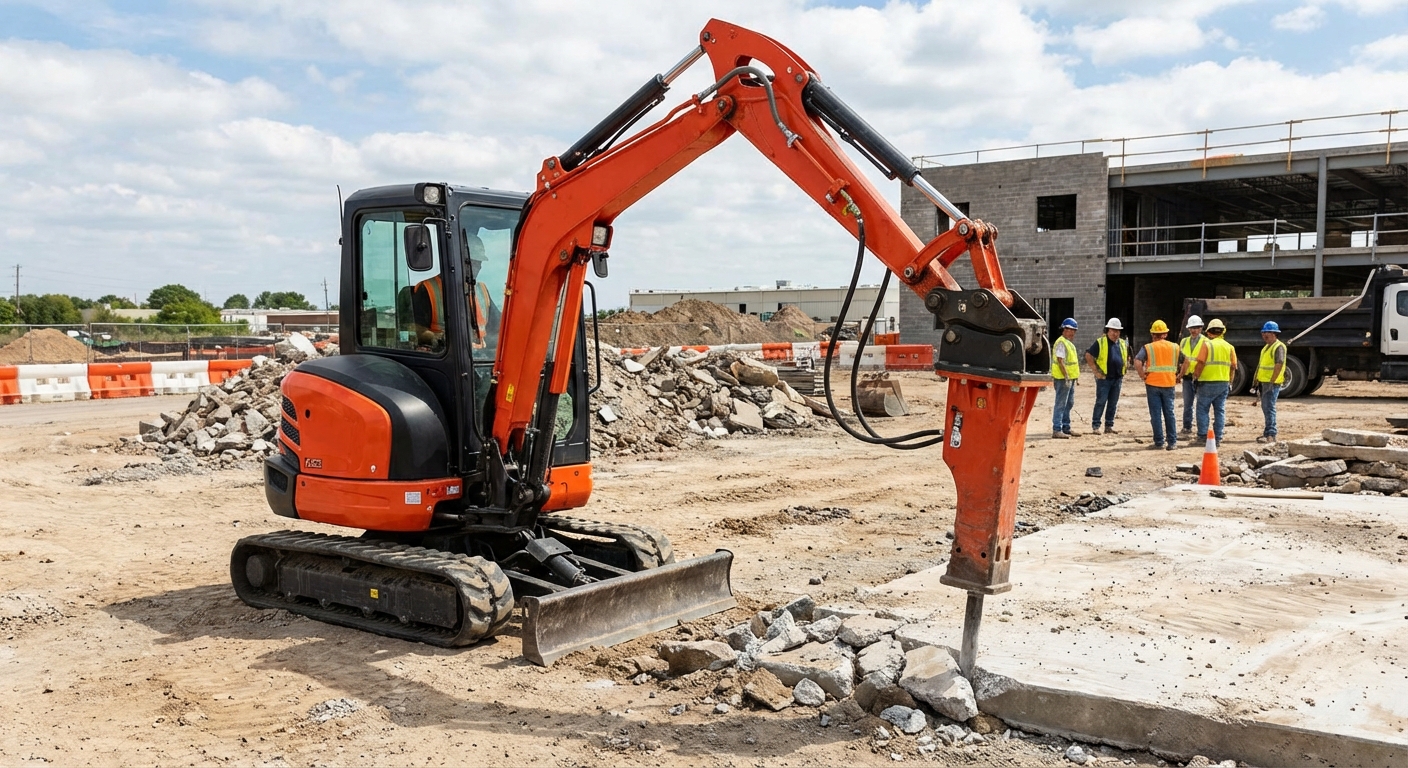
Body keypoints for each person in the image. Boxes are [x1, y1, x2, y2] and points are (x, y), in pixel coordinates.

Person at [1133, 320, 1181, 451]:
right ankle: (1172, 442)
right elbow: (1187, 361)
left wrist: (1142, 375)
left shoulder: (1148, 347)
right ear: (1165, 334)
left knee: (1156, 414)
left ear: (1153, 334)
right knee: (1169, 413)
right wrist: (1180, 375)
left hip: (1152, 384)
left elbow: (1137, 361)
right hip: (1169, 384)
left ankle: (1159, 442)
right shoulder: (1175, 347)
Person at [1191, 318, 1238, 445]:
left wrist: (1195, 377)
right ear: (1223, 331)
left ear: (1209, 332)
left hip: (1207, 383)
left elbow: (1200, 364)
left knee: (1202, 409)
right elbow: (1233, 367)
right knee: (1220, 410)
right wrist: (1230, 383)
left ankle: (1202, 437)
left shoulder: (1207, 345)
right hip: (1223, 383)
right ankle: (1218, 437)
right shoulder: (1230, 347)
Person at [1084, 318, 1129, 434]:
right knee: (1101, 402)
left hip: (1117, 378)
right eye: (1113, 331)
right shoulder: (1100, 342)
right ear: (1108, 330)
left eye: (1118, 331)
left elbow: (1125, 357)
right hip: (1104, 379)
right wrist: (1096, 372)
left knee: (1113, 403)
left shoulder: (1122, 343)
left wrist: (1125, 367)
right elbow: (1088, 355)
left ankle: (1109, 425)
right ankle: (1096, 425)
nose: (1116, 333)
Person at [1255, 321, 1286, 444]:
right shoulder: (1266, 348)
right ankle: (1268, 432)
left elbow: (1279, 364)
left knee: (1269, 408)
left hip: (1271, 383)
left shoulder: (1278, 346)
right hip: (1264, 381)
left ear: (1274, 334)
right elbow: (1261, 365)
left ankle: (1271, 434)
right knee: (1266, 407)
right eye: (1263, 333)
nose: (1264, 335)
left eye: (1267, 332)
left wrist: (1273, 381)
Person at [1050, 317, 1081, 439]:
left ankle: (1066, 427)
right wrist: (1066, 376)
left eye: (1074, 330)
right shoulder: (1062, 342)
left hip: (1070, 378)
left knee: (1069, 403)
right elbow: (1060, 360)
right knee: (1061, 403)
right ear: (1064, 329)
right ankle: (1057, 429)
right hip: (1063, 378)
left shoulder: (1068, 343)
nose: (1073, 332)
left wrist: (1074, 378)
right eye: (1070, 329)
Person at [1177, 315, 1206, 440]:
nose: (1194, 330)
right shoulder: (1183, 341)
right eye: (1191, 328)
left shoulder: (1206, 342)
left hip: (1201, 377)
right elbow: (1181, 359)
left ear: (1201, 328)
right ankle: (1187, 427)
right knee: (1188, 403)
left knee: (1201, 405)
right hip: (1188, 377)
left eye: (1196, 328)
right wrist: (1180, 373)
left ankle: (1202, 430)